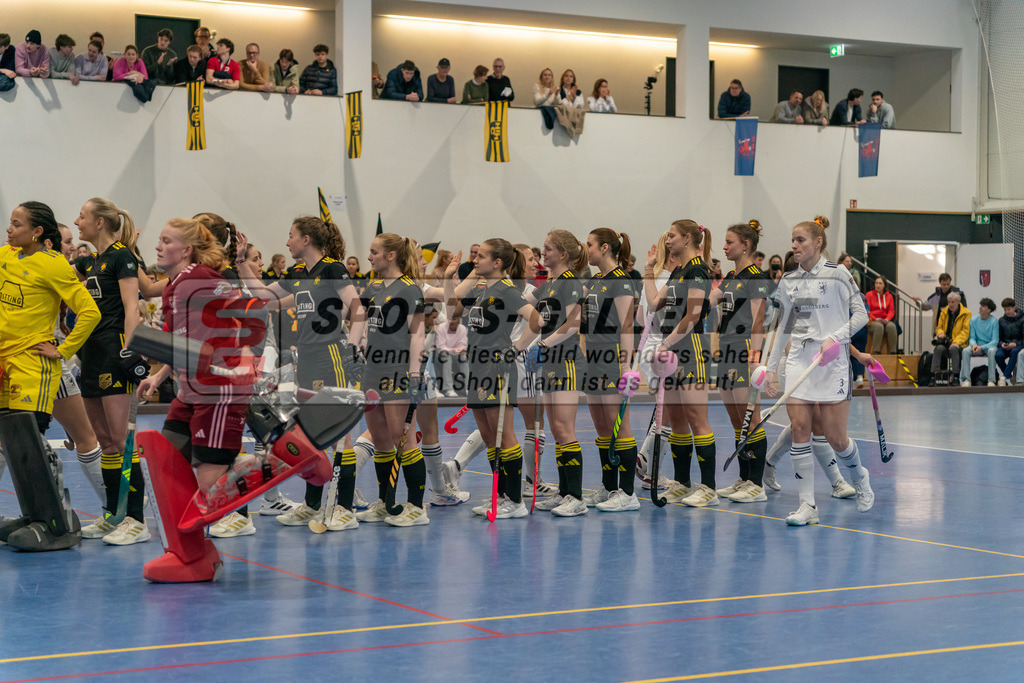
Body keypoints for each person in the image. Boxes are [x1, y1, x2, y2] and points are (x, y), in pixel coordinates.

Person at [235, 217, 366, 531]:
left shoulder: (333, 269)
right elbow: (265, 295)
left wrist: (351, 346)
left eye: (291, 235)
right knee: (310, 435)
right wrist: (240, 261)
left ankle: (345, 509)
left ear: (306, 239)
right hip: (304, 358)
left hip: (330, 355)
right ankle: (310, 505)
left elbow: (358, 310)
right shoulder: (298, 274)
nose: (287, 242)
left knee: (339, 436)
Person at [134, 217, 254, 538]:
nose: (158, 246)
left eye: (166, 241)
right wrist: (158, 378)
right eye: (158, 239)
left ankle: (251, 474)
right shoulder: (173, 286)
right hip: (189, 392)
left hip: (218, 390)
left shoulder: (200, 278)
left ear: (186, 250)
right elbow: (179, 342)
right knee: (165, 465)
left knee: (208, 481)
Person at [763, 215, 871, 526]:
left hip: (833, 360)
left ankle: (860, 478)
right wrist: (771, 370)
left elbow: (861, 314)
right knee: (800, 430)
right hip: (799, 359)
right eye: (792, 241)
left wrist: (835, 338)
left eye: (801, 240)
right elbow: (783, 327)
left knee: (837, 439)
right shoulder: (789, 280)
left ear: (818, 243)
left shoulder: (839, 275)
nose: (794, 245)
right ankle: (807, 505)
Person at [1, 203, 100, 500]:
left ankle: (121, 511)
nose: (9, 229)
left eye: (16, 224)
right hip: (12, 362)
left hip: (41, 364)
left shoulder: (53, 263)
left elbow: (90, 312)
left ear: (38, 233)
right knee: (13, 438)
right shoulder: (7, 255)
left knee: (61, 438)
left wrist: (63, 350)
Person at [72, 198, 150, 545]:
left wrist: (131, 351)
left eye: (82, 216)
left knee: (122, 439)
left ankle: (136, 519)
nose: (77, 222)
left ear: (100, 223)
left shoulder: (122, 256)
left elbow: (133, 307)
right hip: (91, 354)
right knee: (106, 443)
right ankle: (113, 515)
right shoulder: (93, 262)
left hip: (114, 353)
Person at [445, 240, 541, 518]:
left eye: (482, 256)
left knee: (505, 436)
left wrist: (516, 349)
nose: (475, 259)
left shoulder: (506, 291)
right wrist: (450, 278)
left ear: (497, 263)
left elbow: (536, 320)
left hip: (497, 369)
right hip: (476, 368)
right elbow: (453, 309)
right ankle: (500, 496)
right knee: (488, 436)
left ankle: (515, 501)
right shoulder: (480, 288)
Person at [354, 233, 429, 527]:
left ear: (391, 256)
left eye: (374, 252)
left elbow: (418, 335)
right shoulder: (373, 288)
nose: (369, 257)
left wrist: (414, 374)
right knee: (382, 439)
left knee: (404, 438)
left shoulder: (410, 290)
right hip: (372, 371)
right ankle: (387, 502)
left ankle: (416, 506)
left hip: (397, 371)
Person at [644, 220, 718, 506]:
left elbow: (693, 316)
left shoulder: (699, 270)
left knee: (697, 419)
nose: (668, 239)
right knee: (676, 421)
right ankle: (682, 483)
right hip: (671, 350)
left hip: (689, 348)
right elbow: (653, 304)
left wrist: (664, 344)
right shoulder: (678, 271)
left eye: (672, 235)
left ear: (687, 238)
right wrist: (650, 270)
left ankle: (708, 488)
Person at [523, 231, 587, 516]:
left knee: (565, 429)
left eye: (547, 249)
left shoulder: (571, 282)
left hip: (566, 361)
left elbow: (573, 325)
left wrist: (543, 344)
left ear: (562, 254)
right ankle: (564, 492)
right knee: (556, 431)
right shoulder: (549, 284)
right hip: (548, 361)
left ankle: (576, 497)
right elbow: (525, 309)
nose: (542, 254)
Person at [579, 229, 639, 511]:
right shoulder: (595, 281)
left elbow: (627, 325)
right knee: (602, 427)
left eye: (590, 244)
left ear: (604, 248)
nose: (586, 249)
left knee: (619, 427)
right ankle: (609, 486)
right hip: (593, 360)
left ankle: (628, 494)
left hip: (613, 359)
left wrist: (626, 366)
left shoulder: (621, 281)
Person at [712, 221, 771, 502]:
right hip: (725, 351)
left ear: (745, 245)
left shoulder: (755, 277)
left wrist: (756, 360)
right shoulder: (731, 276)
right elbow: (708, 303)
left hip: (744, 350)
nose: (724, 247)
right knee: (738, 421)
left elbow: (759, 321)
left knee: (751, 419)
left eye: (729, 242)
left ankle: (756, 486)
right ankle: (743, 479)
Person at [930, 292, 970, 385]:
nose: (950, 305)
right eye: (949, 302)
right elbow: (939, 327)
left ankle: (956, 376)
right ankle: (933, 376)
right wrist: (940, 333)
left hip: (959, 343)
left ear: (959, 302)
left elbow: (965, 332)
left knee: (953, 349)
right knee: (938, 349)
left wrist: (956, 342)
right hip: (945, 342)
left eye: (953, 302)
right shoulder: (944, 311)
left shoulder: (966, 313)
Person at [960, 298, 999, 387]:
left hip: (988, 347)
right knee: (965, 351)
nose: (980, 308)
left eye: (984, 306)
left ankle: (991, 380)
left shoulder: (994, 321)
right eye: (980, 305)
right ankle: (966, 379)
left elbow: (995, 341)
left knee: (992, 351)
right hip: (977, 346)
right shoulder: (973, 320)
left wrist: (982, 347)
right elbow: (972, 337)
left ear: (989, 310)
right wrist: (974, 345)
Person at [435, 315, 467, 397]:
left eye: (454, 319)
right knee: (446, 355)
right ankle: (449, 389)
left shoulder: (462, 328)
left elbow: (463, 346)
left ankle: (466, 388)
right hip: (440, 355)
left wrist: (457, 350)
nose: (451, 321)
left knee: (464, 356)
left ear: (459, 320)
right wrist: (452, 350)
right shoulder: (441, 328)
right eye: (449, 319)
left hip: (456, 354)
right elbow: (440, 347)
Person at [865, 276, 897, 353]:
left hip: (884, 320)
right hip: (872, 321)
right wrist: (875, 319)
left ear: (884, 285)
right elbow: (867, 310)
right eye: (876, 283)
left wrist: (887, 319)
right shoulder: (869, 294)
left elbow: (891, 311)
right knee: (879, 327)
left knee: (892, 326)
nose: (878, 285)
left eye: (880, 283)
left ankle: (893, 351)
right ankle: (876, 351)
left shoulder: (889, 296)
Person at [996, 298, 1022, 385]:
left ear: (1014, 307)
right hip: (1006, 346)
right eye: (1005, 309)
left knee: (1014, 352)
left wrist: (1016, 344)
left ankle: (1004, 376)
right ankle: (1010, 375)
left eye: (1008, 309)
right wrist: (1001, 344)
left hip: (1018, 345)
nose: (1006, 312)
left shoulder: (1022, 319)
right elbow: (999, 338)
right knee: (998, 356)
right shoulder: (1001, 321)